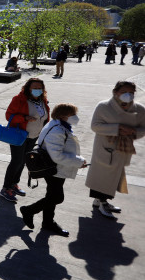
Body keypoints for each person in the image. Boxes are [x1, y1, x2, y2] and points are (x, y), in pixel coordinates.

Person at [20, 104, 87, 237]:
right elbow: (57, 156)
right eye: (73, 115)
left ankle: (48, 222)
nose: (76, 117)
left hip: (55, 167)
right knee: (57, 197)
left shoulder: (60, 126)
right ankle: (28, 210)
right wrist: (78, 162)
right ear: (63, 116)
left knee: (51, 196)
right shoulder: (58, 130)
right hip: (54, 168)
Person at [86, 81, 145, 218]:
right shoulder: (104, 106)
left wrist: (132, 131)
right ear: (115, 92)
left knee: (114, 176)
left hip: (124, 148)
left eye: (131, 92)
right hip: (105, 147)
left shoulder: (140, 109)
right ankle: (102, 202)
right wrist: (117, 129)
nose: (128, 95)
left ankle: (99, 200)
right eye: (124, 92)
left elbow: (143, 128)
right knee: (102, 175)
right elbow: (95, 126)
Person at [0, 78, 50, 203]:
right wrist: (24, 118)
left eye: (40, 88)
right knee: (16, 161)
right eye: (34, 87)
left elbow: (45, 117)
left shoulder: (42, 100)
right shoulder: (19, 99)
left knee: (23, 161)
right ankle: (5, 188)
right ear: (28, 88)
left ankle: (14, 184)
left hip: (34, 135)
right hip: (20, 135)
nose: (37, 90)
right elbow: (8, 116)